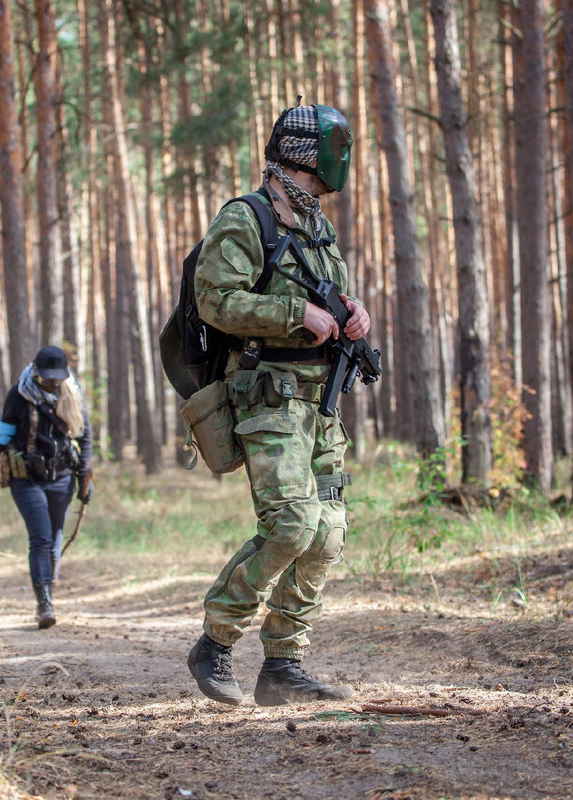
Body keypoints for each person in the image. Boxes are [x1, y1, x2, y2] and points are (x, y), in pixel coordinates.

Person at [186, 102, 371, 706]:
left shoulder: (317, 227)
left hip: (321, 404)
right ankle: (215, 642)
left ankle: (283, 665)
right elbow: (216, 300)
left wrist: (351, 315)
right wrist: (295, 315)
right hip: (268, 398)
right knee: (292, 526)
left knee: (327, 534)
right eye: (333, 147)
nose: (341, 157)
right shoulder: (246, 218)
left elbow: (332, 296)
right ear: (305, 153)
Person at [0, 345, 93, 630]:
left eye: (55, 378)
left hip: (63, 478)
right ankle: (44, 603)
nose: (50, 382)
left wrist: (84, 474)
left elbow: (85, 438)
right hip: (26, 478)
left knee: (55, 540)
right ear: (35, 371)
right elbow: (0, 437)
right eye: (45, 377)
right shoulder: (18, 396)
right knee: (40, 538)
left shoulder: (73, 393)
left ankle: (48, 588)